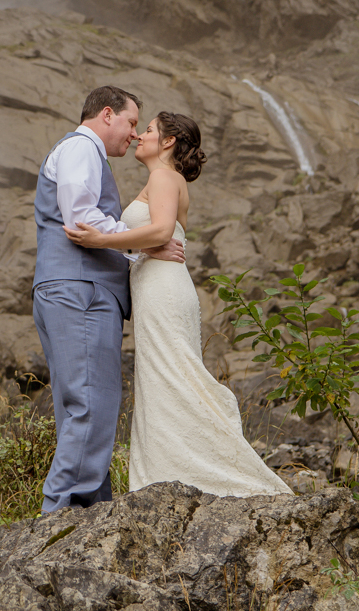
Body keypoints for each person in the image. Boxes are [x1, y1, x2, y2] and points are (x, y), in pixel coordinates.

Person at [66, 112, 291, 497]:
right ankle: (171, 471)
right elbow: (156, 236)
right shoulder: (165, 179)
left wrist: (99, 241)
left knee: (172, 373)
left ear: (168, 142)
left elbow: (162, 231)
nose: (139, 136)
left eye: (149, 130)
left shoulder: (163, 176)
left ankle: (191, 474)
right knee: (166, 375)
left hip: (163, 289)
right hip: (159, 286)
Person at [31, 85, 186, 513]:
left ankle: (91, 516)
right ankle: (59, 519)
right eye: (132, 122)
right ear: (106, 114)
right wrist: (141, 247)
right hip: (82, 291)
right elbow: (81, 220)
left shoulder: (82, 152)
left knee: (79, 407)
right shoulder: (82, 148)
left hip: (69, 289)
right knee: (90, 405)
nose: (135, 134)